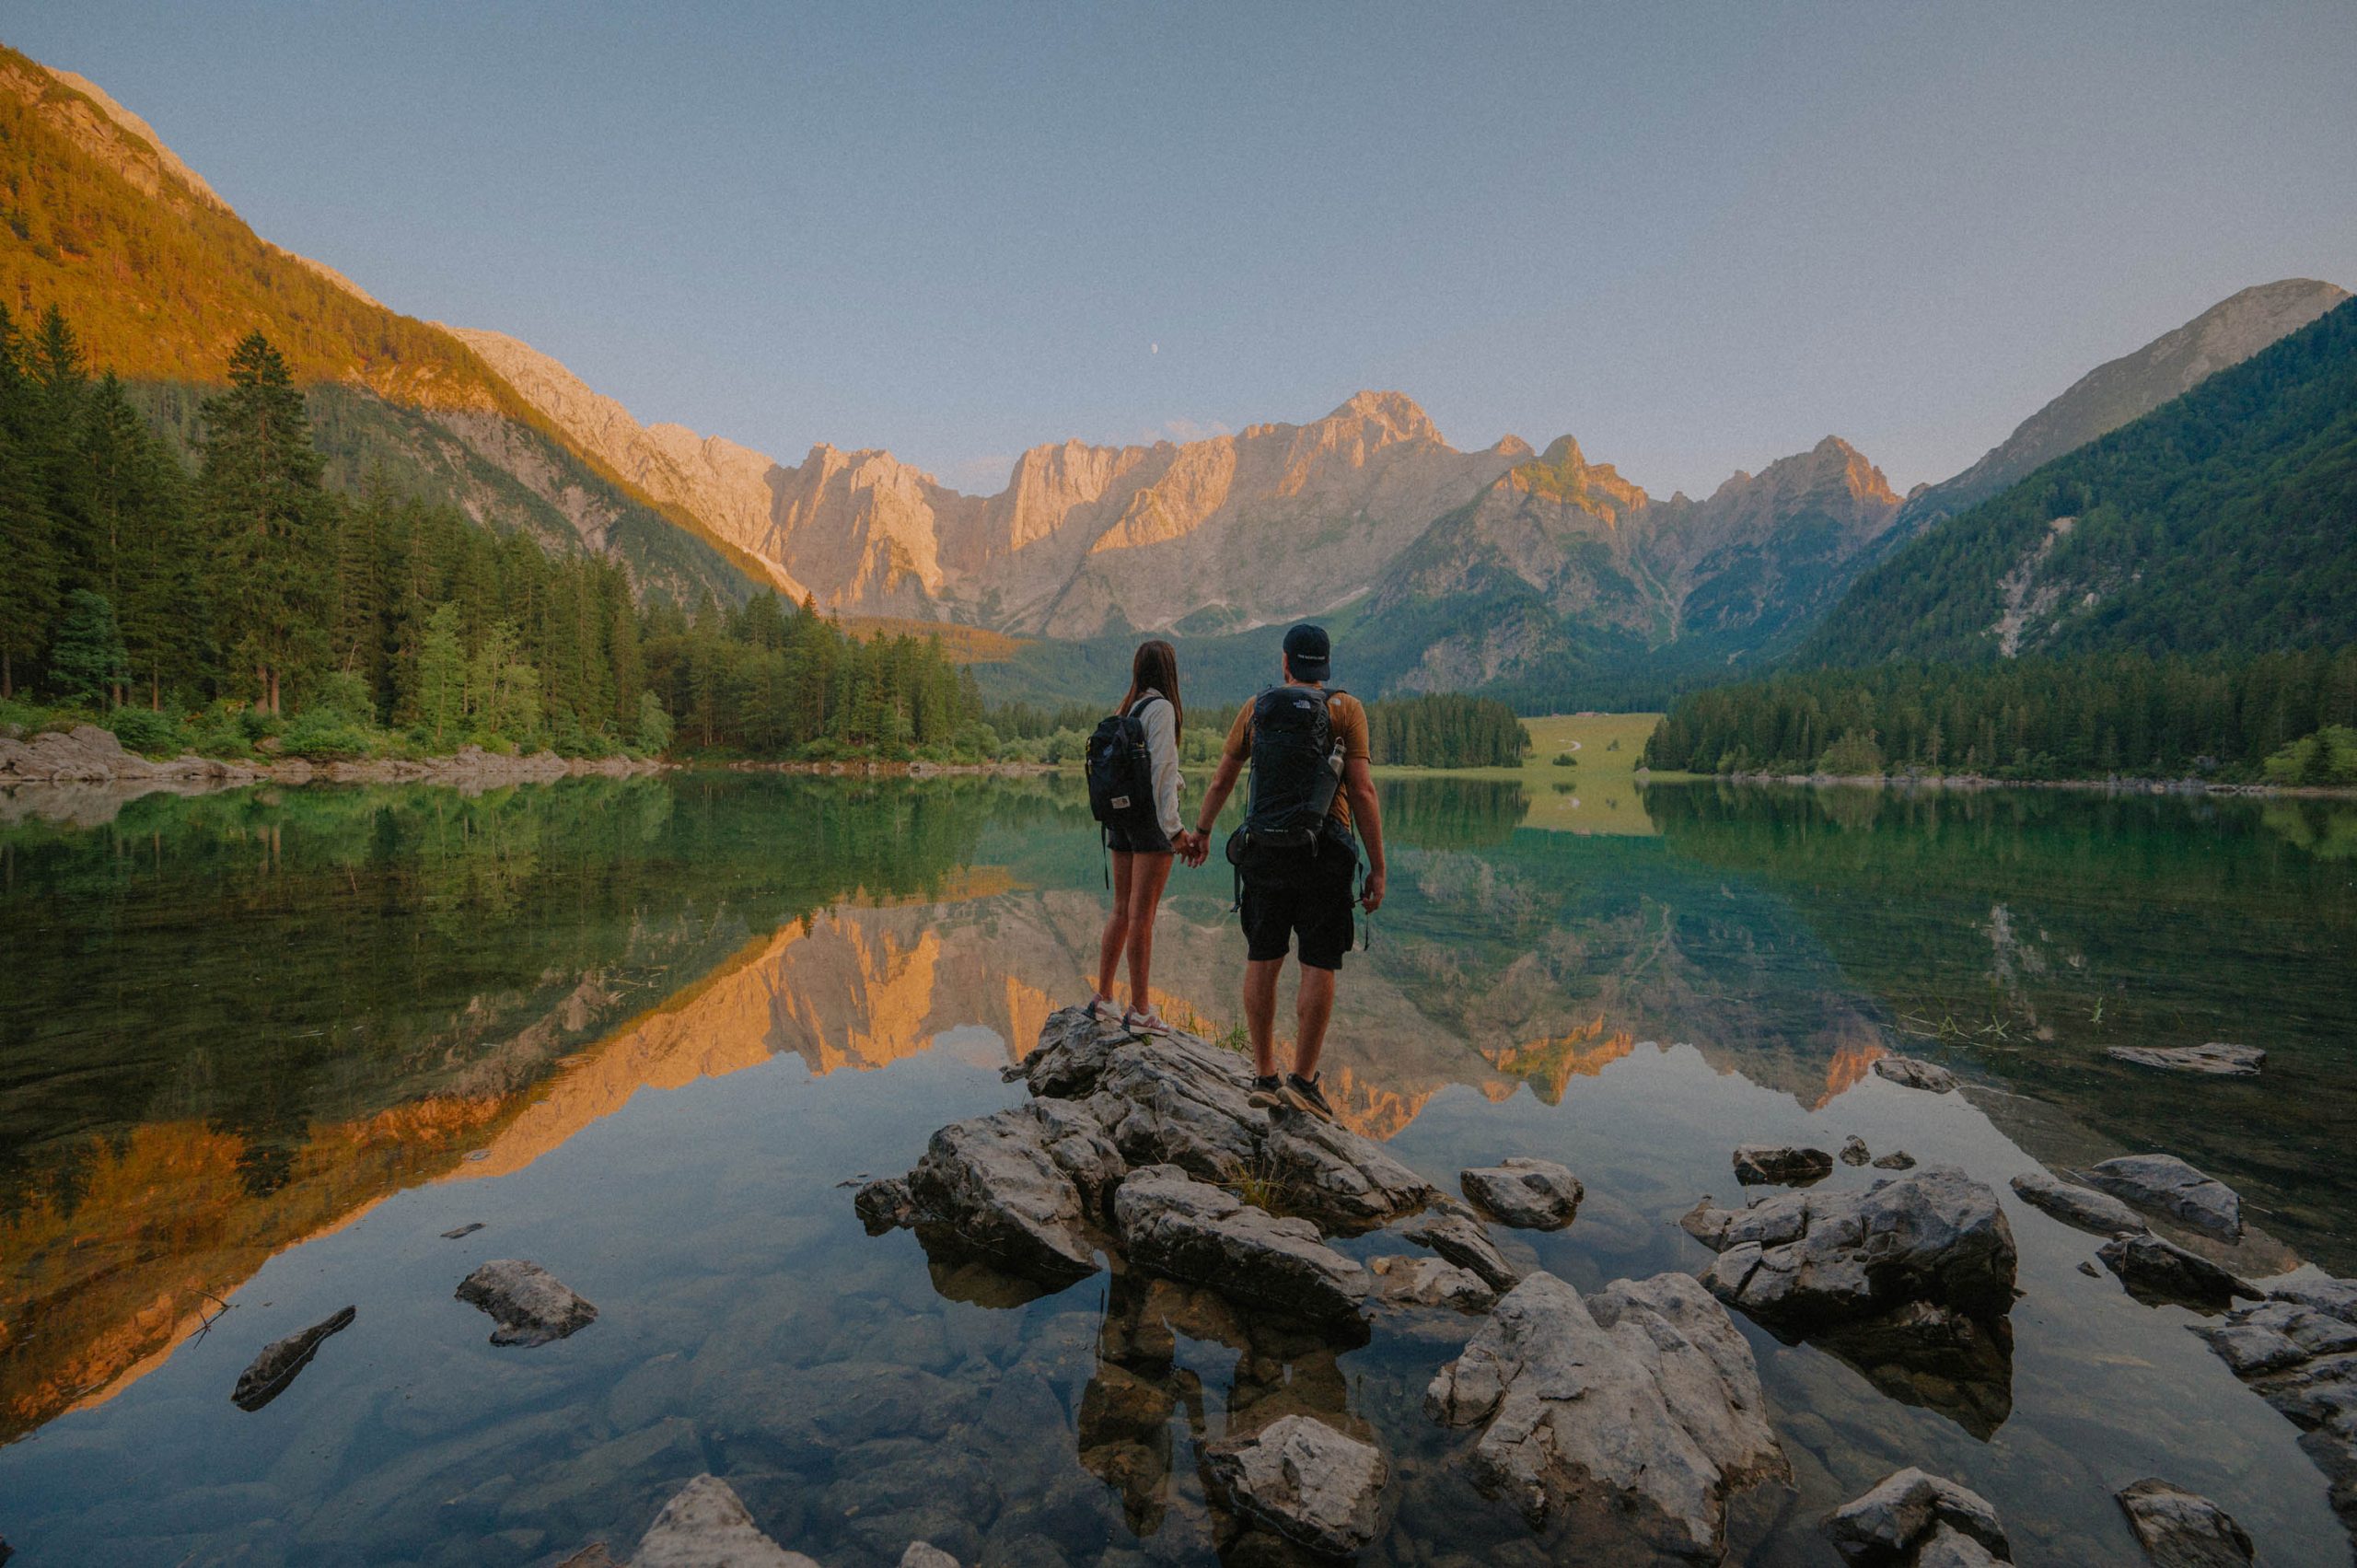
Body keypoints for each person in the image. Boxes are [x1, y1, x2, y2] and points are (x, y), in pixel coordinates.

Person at [1178, 623, 1386, 1120]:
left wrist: (1202, 831)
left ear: (1286, 663)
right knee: (1319, 961)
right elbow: (1362, 791)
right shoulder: (1345, 709)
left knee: (1263, 956)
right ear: (1325, 666)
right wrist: (1377, 867)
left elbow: (1223, 779)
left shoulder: (1257, 708)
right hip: (1324, 852)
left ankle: (1265, 1075)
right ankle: (1303, 1082)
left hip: (1265, 850)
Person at [1091, 640, 1187, 1036]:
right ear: (1169, 671)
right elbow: (1161, 771)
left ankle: (1104, 998)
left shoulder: (1128, 707)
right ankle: (1141, 1010)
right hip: (1149, 825)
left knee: (1121, 910)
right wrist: (1175, 830)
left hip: (1121, 821)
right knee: (1142, 917)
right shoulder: (1161, 708)